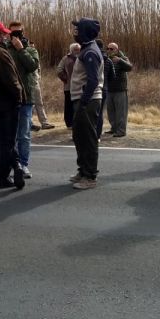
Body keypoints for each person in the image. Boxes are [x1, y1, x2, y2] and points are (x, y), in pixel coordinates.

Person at [0, 21, 25, 190]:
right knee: (8, 141)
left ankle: (16, 167)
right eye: (2, 34)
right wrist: (19, 97)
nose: (6, 36)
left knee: (6, 139)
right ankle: (3, 176)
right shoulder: (0, 53)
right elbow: (11, 80)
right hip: (6, 104)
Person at [69, 18, 104, 190]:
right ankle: (83, 170)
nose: (75, 32)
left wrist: (83, 101)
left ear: (85, 31)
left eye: (78, 29)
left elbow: (93, 80)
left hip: (88, 101)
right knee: (79, 137)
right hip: (82, 100)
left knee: (88, 139)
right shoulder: (86, 49)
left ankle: (90, 176)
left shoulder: (90, 52)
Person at [6, 22, 39, 178]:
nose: (16, 36)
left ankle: (24, 165)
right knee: (7, 135)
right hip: (9, 98)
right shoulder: (5, 49)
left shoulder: (30, 49)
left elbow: (32, 66)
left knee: (24, 134)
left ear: (23, 33)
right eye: (13, 34)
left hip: (26, 97)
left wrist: (21, 49)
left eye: (18, 33)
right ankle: (7, 165)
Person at [104, 42, 132, 137]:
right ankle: (114, 128)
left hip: (120, 90)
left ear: (117, 49)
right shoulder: (106, 59)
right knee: (111, 112)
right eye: (108, 48)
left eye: (111, 49)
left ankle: (121, 131)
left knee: (121, 112)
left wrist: (120, 61)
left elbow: (130, 67)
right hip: (109, 90)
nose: (109, 50)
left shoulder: (123, 58)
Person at [94, 39, 116, 140]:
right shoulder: (108, 60)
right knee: (100, 113)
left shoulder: (92, 56)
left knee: (90, 113)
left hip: (92, 89)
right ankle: (97, 136)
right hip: (104, 89)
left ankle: (90, 135)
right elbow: (113, 77)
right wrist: (106, 84)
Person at [56, 43, 80, 128]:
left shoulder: (82, 57)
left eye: (78, 49)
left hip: (80, 87)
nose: (77, 51)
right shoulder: (66, 58)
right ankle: (69, 123)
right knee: (68, 106)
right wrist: (65, 78)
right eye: (75, 49)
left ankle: (78, 123)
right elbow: (59, 70)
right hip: (69, 87)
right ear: (71, 50)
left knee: (78, 105)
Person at [30, 55, 55, 131]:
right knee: (28, 104)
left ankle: (44, 123)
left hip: (35, 82)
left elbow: (38, 68)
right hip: (26, 83)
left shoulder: (34, 55)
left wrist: (38, 77)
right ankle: (29, 123)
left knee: (39, 103)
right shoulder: (21, 53)